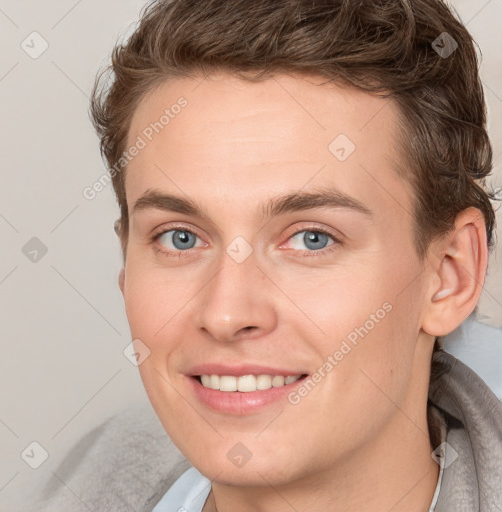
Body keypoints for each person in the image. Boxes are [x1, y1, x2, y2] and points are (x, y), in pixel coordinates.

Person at [43, 0, 502, 510]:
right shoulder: (80, 485)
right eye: (181, 238)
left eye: (312, 239)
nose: (226, 314)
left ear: (450, 274)